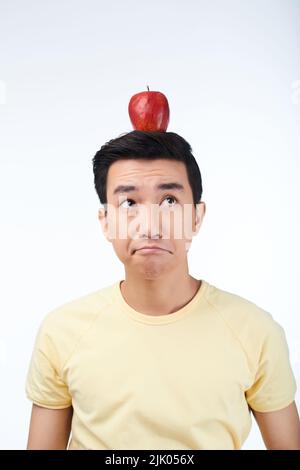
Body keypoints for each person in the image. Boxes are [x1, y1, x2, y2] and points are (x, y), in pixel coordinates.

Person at [25, 131, 300, 450]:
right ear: (105, 221)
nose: (150, 225)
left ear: (196, 216)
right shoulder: (61, 332)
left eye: (169, 201)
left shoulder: (256, 331)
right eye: (128, 202)